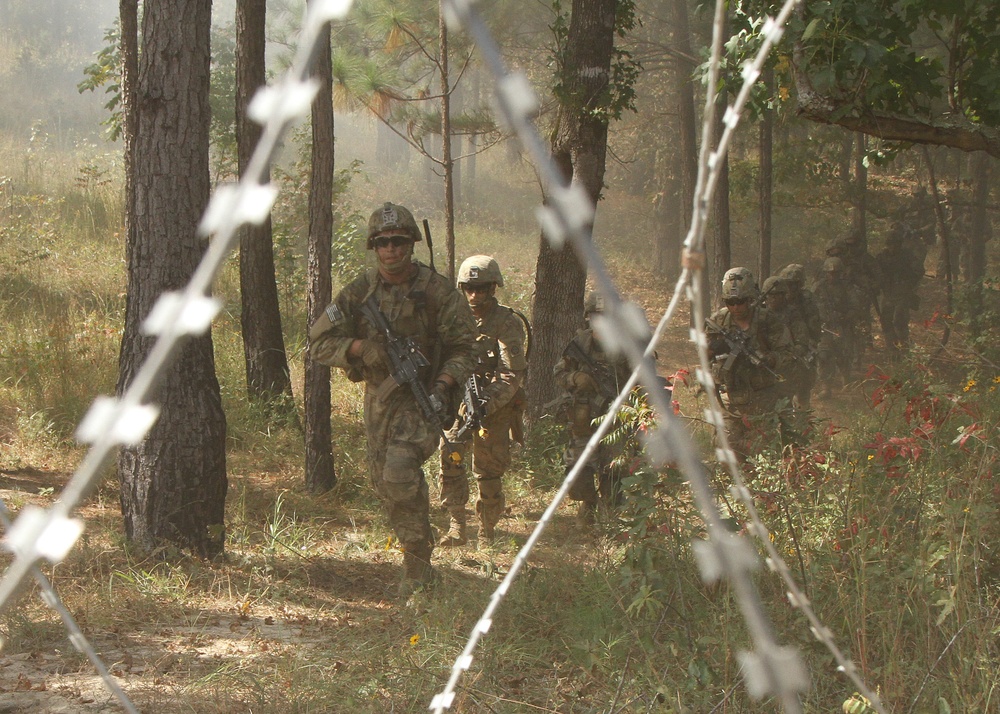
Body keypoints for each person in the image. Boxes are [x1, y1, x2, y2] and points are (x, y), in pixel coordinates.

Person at [308, 202, 478, 597]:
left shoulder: (438, 292)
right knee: (385, 482)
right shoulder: (359, 292)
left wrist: (443, 383)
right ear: (373, 246)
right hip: (379, 400)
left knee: (399, 471)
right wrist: (357, 347)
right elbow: (318, 342)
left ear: (411, 244)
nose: (391, 250)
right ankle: (416, 535)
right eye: (383, 242)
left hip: (423, 399)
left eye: (399, 241)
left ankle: (417, 566)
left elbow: (466, 347)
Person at [438, 255, 527, 545]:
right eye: (469, 289)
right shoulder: (452, 318)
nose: (475, 295)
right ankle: (456, 526)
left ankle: (487, 532)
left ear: (494, 288)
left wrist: (487, 402)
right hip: (457, 403)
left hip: (494, 406)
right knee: (450, 460)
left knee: (489, 472)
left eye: (483, 288)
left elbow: (511, 374)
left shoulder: (506, 323)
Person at [551, 291, 633, 527]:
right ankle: (588, 504)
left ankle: (611, 517)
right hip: (583, 418)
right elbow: (559, 373)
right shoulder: (580, 343)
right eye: (596, 316)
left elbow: (641, 380)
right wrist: (576, 377)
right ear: (588, 317)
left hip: (616, 420)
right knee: (577, 472)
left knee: (614, 472)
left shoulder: (627, 345)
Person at [705, 267, 795, 462]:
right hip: (730, 397)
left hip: (762, 397)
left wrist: (768, 358)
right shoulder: (718, 320)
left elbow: (787, 353)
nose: (736, 307)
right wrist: (714, 348)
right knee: (726, 450)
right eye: (731, 302)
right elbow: (705, 356)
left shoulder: (767, 320)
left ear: (751, 299)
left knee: (760, 453)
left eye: (741, 302)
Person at [813, 257, 863, 397]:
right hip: (824, 327)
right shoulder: (818, 287)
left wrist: (846, 317)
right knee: (823, 355)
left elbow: (855, 306)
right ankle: (826, 387)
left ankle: (846, 381)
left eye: (835, 273)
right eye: (829, 273)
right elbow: (810, 305)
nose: (832, 276)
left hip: (842, 326)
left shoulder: (847, 287)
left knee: (843, 354)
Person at [777, 264, 822, 412]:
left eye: (794, 285)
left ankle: (802, 420)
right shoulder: (776, 299)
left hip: (803, 346)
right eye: (788, 284)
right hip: (779, 348)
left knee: (804, 387)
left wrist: (806, 344)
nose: (790, 289)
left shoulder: (807, 300)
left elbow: (814, 327)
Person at [875, 224, 924, 355]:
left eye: (895, 245)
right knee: (886, 321)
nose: (892, 248)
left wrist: (909, 284)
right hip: (887, 292)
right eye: (890, 245)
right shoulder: (881, 257)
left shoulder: (907, 256)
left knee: (899, 321)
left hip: (902, 292)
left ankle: (905, 348)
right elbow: (875, 273)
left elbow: (919, 271)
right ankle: (892, 349)